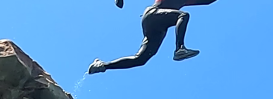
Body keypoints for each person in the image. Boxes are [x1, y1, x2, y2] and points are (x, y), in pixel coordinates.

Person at [88, 0, 218, 74]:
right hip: (153, 14)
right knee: (183, 15)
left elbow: (207, 1)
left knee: (140, 59)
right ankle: (180, 49)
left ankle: (102, 65)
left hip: (158, 28)